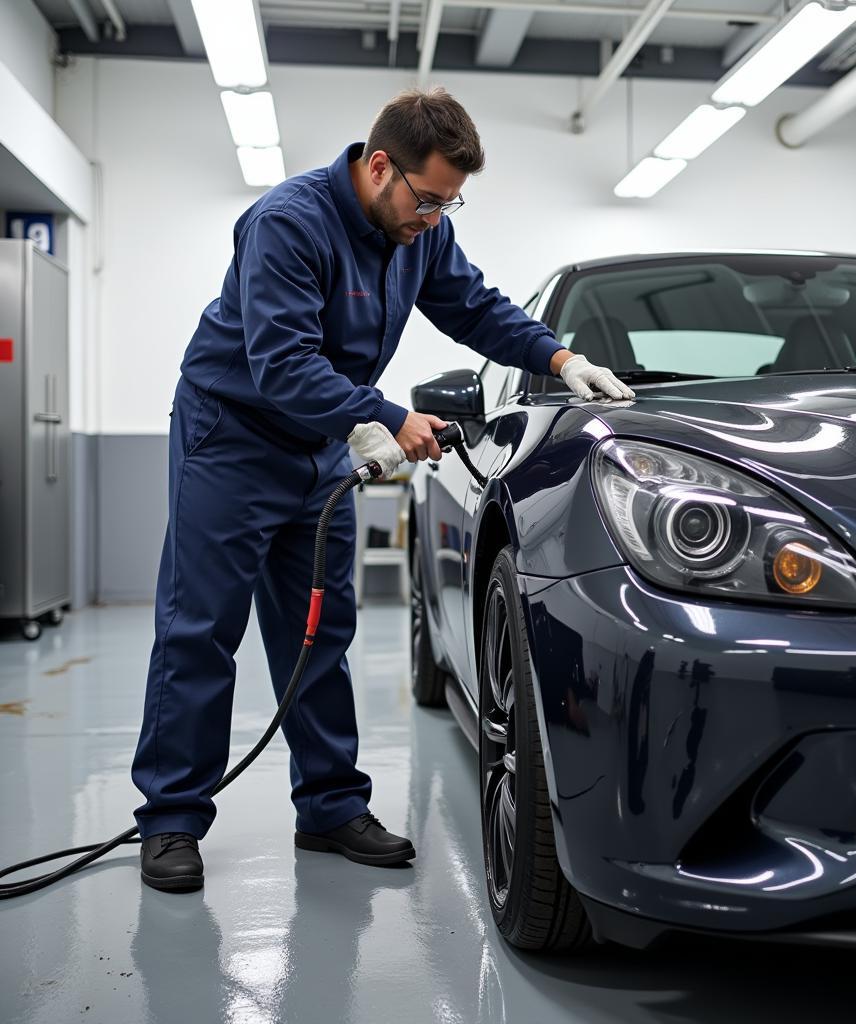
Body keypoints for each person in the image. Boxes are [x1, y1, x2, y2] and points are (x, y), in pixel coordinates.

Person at [131, 87, 635, 893]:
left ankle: (329, 807)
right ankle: (170, 821)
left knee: (319, 632)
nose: (435, 217)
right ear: (378, 166)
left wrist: (559, 360)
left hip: (320, 443)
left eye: (450, 202)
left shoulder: (421, 235)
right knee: (200, 631)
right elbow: (282, 362)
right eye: (428, 198)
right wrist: (383, 417)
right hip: (231, 437)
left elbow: (475, 308)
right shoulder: (289, 223)